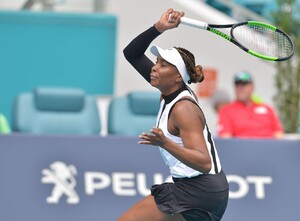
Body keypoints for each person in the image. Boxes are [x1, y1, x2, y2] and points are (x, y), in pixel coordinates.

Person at [120, 8, 229, 221]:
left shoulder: (183, 109)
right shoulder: (168, 89)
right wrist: (159, 28)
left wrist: (165, 143)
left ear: (178, 77)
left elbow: (204, 162)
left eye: (163, 65)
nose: (154, 68)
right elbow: (131, 53)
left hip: (199, 190)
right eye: (156, 63)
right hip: (206, 190)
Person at [217, 71, 284, 139]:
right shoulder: (226, 111)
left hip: (269, 147)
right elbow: (225, 139)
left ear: (252, 87)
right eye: (237, 85)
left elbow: (278, 134)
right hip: (242, 148)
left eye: (244, 84)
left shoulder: (267, 109)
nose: (240, 88)